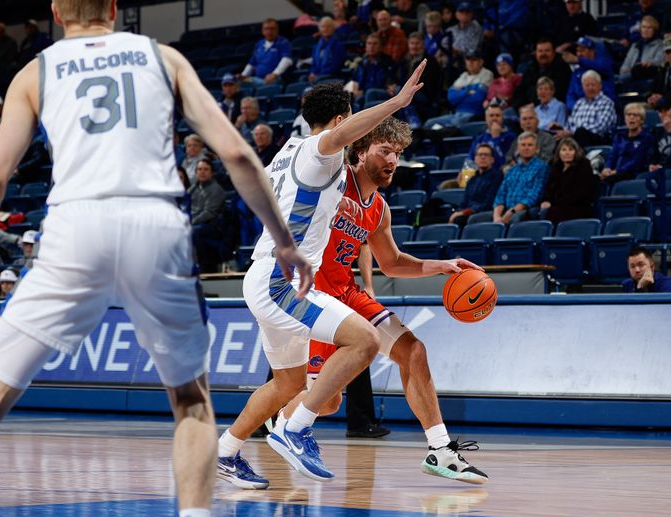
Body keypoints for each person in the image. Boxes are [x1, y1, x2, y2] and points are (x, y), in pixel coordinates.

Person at [0, 2, 313, 517]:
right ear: (116, 9)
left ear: (55, 11)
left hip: (76, 225)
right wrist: (283, 241)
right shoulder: (161, 57)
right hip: (156, 221)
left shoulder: (36, 70)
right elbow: (235, 153)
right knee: (191, 401)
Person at [216, 64, 428, 489]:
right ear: (340, 120)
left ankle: (225, 452)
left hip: (266, 276)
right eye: (349, 121)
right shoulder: (319, 150)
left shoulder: (287, 151)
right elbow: (338, 137)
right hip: (282, 282)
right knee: (366, 340)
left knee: (287, 383)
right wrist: (397, 103)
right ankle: (296, 430)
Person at [275, 117, 487, 485]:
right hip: (315, 295)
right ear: (361, 150)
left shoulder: (380, 209)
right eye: (384, 150)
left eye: (398, 154)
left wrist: (442, 266)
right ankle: (283, 424)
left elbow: (391, 263)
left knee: (413, 350)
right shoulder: (333, 180)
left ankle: (440, 450)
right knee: (328, 403)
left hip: (347, 291)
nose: (392, 160)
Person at [493, 132, 549, 224]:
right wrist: (496, 216)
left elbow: (533, 196)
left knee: (515, 218)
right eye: (523, 145)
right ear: (518, 149)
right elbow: (500, 195)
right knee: (476, 219)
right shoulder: (512, 170)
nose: (526, 148)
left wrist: (512, 212)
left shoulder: (542, 168)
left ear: (537, 149)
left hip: (525, 210)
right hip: (506, 210)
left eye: (530, 145)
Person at [540, 138, 597, 225]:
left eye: (571, 150)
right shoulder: (555, 166)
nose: (567, 153)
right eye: (564, 150)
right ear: (559, 152)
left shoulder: (583, 165)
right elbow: (549, 187)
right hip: (558, 205)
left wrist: (555, 203)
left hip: (578, 206)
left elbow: (582, 193)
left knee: (552, 213)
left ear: (576, 152)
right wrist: (546, 200)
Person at [554, 70, 616, 147]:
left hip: (597, 140)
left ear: (600, 86)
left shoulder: (607, 103)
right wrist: (562, 131)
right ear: (583, 87)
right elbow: (570, 124)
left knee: (581, 132)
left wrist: (573, 133)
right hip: (575, 137)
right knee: (556, 137)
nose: (590, 88)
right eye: (587, 85)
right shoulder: (579, 103)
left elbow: (600, 128)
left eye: (593, 85)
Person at [431, 50, 493, 127]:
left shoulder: (487, 74)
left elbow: (478, 98)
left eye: (474, 60)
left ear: (481, 62)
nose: (470, 62)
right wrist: (467, 91)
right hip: (457, 113)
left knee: (453, 125)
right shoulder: (463, 76)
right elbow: (451, 97)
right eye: (468, 60)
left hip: (474, 113)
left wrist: (461, 91)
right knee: (429, 123)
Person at [449, 144, 503, 226]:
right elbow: (464, 202)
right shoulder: (472, 180)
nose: (483, 157)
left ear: (492, 159)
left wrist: (464, 212)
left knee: (459, 220)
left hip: (482, 212)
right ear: (475, 159)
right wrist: (458, 212)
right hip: (467, 212)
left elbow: (488, 203)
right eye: (480, 155)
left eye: (486, 155)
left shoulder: (497, 176)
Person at [600, 103, 654, 185]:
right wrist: (607, 168)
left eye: (635, 115)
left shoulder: (646, 138)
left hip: (633, 173)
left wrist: (616, 171)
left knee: (608, 180)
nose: (631, 117)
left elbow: (636, 162)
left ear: (642, 120)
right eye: (628, 115)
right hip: (615, 172)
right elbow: (612, 156)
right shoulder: (619, 137)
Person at [189, 158, 226, 273]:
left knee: (194, 232)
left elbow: (209, 213)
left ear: (211, 172)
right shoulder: (193, 189)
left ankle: (202, 268)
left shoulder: (216, 189)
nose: (202, 172)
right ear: (196, 172)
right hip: (195, 223)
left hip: (212, 226)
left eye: (206, 169)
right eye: (199, 169)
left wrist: (190, 223)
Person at [514, 38, 572, 108]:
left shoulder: (562, 68)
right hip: (527, 110)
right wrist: (520, 107)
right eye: (540, 51)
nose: (543, 54)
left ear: (554, 53)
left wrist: (534, 105)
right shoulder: (531, 69)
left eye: (547, 51)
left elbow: (558, 93)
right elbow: (520, 91)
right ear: (535, 53)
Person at [563, 36, 616, 110]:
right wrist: (576, 107)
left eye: (582, 50)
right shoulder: (577, 71)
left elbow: (604, 67)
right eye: (577, 51)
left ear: (592, 51)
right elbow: (570, 95)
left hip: (602, 107)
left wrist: (579, 60)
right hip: (581, 109)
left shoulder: (603, 64)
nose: (579, 54)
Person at [240, 18, 293, 85]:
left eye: (272, 29)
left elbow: (287, 60)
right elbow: (252, 63)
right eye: (266, 29)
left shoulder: (283, 42)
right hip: (257, 79)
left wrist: (274, 74)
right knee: (238, 82)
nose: (269, 31)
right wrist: (243, 75)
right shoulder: (259, 44)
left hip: (276, 79)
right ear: (262, 31)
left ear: (277, 30)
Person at [467, 104, 515, 170]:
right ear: (486, 118)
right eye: (491, 115)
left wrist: (496, 138)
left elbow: (504, 162)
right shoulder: (480, 138)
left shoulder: (510, 137)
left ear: (502, 118)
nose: (494, 118)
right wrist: (465, 173)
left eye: (497, 115)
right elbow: (470, 160)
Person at [619, 16, 664, 81]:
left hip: (647, 76)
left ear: (654, 30)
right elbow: (625, 66)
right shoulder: (635, 45)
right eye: (644, 27)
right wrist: (629, 70)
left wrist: (648, 63)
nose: (646, 30)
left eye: (649, 28)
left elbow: (659, 61)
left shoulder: (660, 45)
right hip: (631, 75)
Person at [308, 17, 346, 83]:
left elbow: (335, 67)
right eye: (323, 26)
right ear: (319, 29)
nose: (326, 29)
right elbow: (314, 64)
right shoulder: (316, 46)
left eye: (328, 26)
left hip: (331, 77)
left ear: (333, 28)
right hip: (319, 76)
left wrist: (318, 75)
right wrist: (313, 73)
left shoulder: (338, 45)